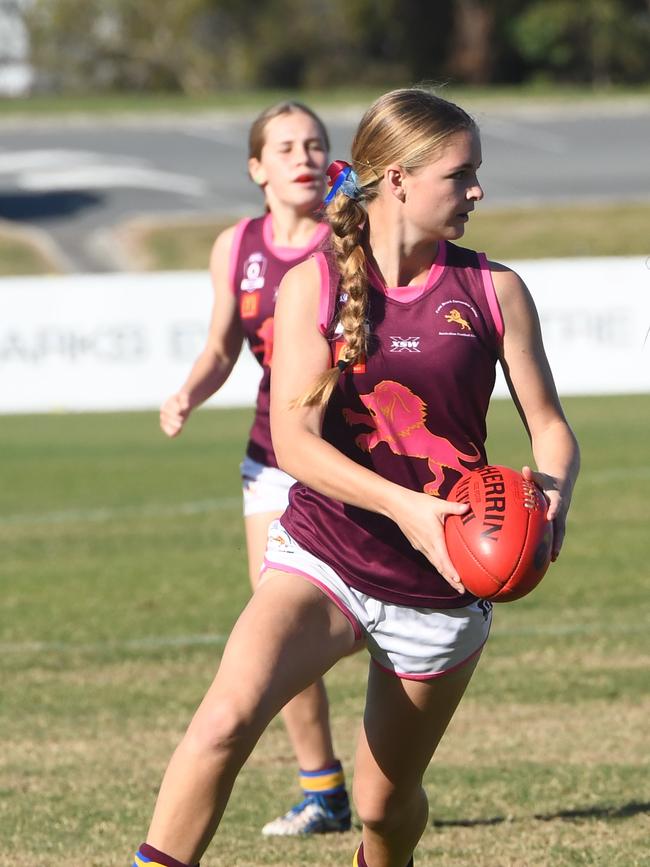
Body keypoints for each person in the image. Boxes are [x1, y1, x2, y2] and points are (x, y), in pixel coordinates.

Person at [134, 87, 580, 867]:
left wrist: (554, 494)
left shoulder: (494, 288)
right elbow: (294, 442)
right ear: (400, 178)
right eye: (462, 173)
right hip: (324, 556)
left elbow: (548, 425)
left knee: (383, 806)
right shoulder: (313, 283)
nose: (477, 190)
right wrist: (410, 509)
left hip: (443, 584)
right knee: (223, 721)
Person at [158, 100, 351, 837]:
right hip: (273, 461)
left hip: (359, 460)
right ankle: (323, 789)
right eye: (286, 147)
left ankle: (386, 787)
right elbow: (220, 348)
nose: (303, 157)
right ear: (256, 168)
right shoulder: (237, 246)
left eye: (316, 145)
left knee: (386, 627)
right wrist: (188, 392)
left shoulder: (352, 241)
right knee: (274, 629)